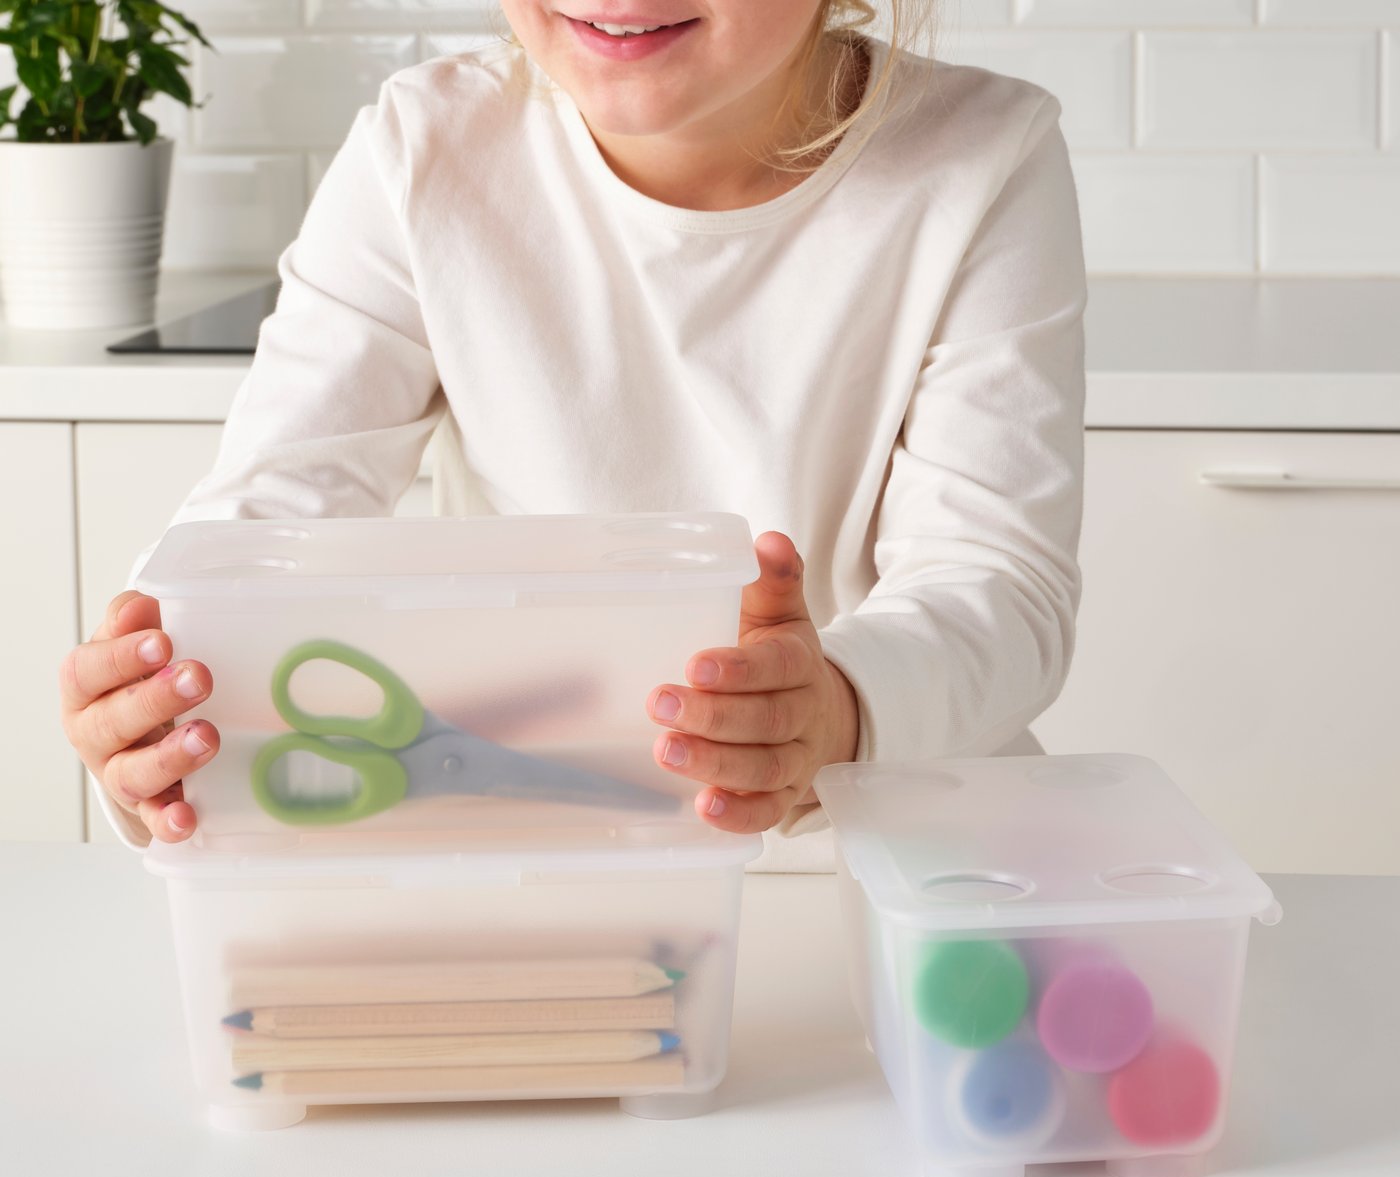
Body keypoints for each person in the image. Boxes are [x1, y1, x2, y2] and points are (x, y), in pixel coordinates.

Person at [58, 1, 1088, 871]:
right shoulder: (423, 148)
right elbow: (263, 522)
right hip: (549, 870)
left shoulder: (982, 156)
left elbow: (998, 586)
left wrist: (835, 712)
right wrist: (161, 712)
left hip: (903, 884)